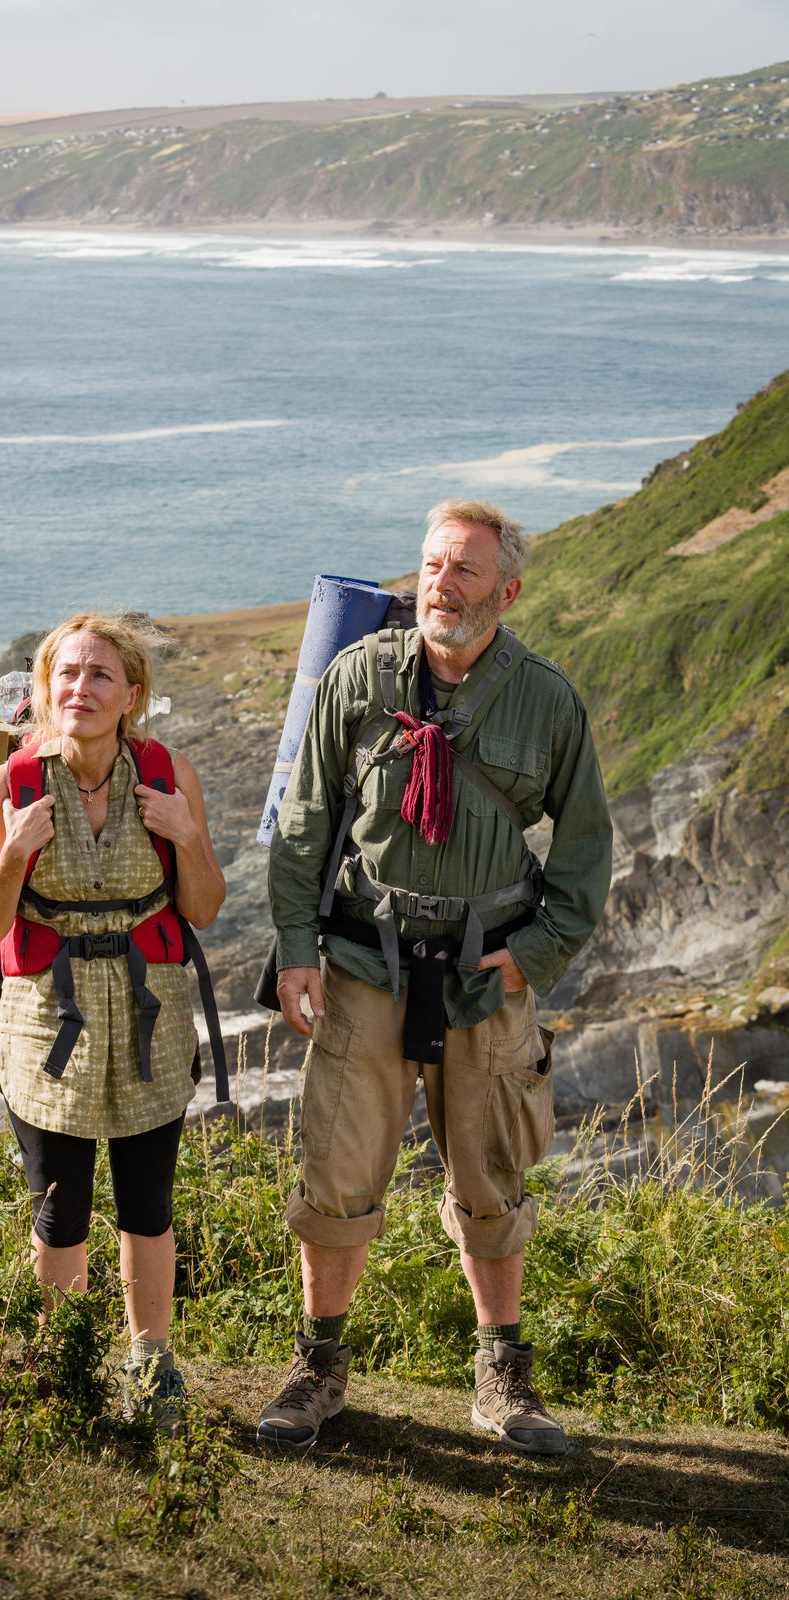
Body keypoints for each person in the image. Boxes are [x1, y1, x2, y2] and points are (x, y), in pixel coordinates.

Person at [257, 498, 613, 1456]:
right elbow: (302, 822)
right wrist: (295, 949)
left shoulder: (544, 699)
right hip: (362, 964)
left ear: (507, 588)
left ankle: (502, 1378)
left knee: (491, 1179)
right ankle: (317, 1368)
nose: (438, 584)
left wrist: (531, 956)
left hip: (482, 980)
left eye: (462, 569)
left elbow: (584, 855)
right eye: (429, 564)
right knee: (334, 1172)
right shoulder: (357, 677)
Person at [0, 612, 225, 1425]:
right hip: (48, 1020)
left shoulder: (168, 772)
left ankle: (151, 1365)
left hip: (151, 1015)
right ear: (44, 690)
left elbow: (204, 908)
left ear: (132, 694)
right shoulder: (10, 783)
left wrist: (187, 837)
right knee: (59, 1205)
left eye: (99, 675)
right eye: (66, 675)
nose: (80, 688)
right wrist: (12, 854)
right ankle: (64, 1364)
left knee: (148, 1203)